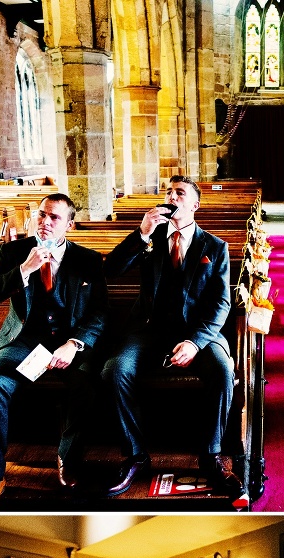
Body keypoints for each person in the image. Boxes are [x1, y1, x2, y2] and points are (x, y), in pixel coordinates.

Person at [101, 175, 247, 508]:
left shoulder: (215, 247)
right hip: (148, 331)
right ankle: (136, 455)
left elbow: (221, 304)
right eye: (168, 192)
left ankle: (211, 456)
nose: (171, 197)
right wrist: (142, 232)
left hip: (198, 334)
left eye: (179, 193)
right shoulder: (150, 241)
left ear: (195, 204)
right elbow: (111, 269)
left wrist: (195, 342)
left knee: (224, 371)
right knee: (114, 370)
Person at [0, 193, 108, 512]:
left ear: (70, 225)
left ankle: (68, 456)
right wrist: (23, 269)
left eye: (55, 218)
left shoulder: (88, 259)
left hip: (68, 342)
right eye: (42, 215)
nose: (46, 222)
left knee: (88, 384)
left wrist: (74, 344)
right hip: (24, 342)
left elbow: (100, 313)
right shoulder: (13, 252)